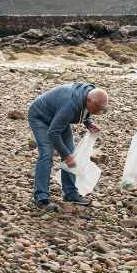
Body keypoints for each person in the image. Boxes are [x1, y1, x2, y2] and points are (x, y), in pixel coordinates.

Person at [27, 83, 107, 212]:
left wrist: (89, 122)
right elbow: (53, 133)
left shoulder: (91, 94)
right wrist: (65, 155)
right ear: (89, 101)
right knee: (47, 154)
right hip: (40, 116)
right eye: (97, 109)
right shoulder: (70, 105)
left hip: (57, 117)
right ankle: (41, 197)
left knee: (71, 153)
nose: (99, 112)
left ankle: (70, 194)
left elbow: (85, 110)